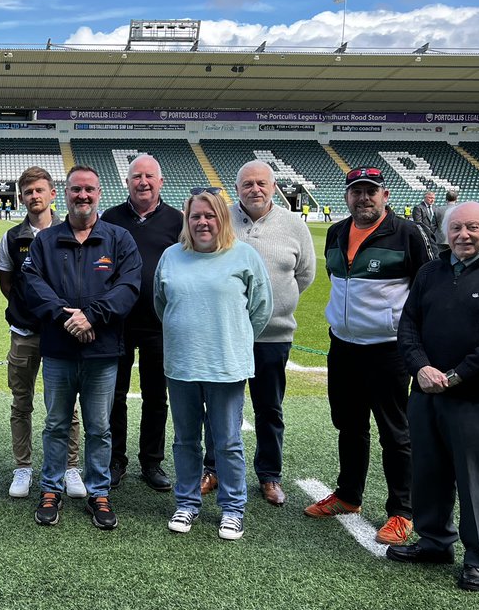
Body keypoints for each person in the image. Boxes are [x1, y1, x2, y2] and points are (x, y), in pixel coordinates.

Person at [390, 202, 479, 591]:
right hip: (425, 393)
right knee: (428, 474)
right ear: (444, 232)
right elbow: (409, 327)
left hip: (475, 399)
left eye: (473, 228)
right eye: (456, 228)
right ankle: (434, 542)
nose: (464, 235)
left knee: (474, 482)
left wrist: (453, 377)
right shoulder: (430, 272)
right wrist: (420, 368)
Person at [305, 168, 433, 546]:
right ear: (347, 196)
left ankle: (401, 511)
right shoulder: (336, 232)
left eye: (370, 192)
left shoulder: (407, 233)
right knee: (349, 424)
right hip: (343, 346)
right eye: (356, 192)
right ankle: (348, 495)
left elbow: (427, 288)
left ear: (385, 195)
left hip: (388, 349)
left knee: (395, 432)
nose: (363, 198)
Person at [22, 165, 142, 530]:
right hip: (58, 349)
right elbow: (31, 283)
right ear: (66, 192)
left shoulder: (119, 239)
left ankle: (98, 492)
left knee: (99, 428)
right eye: (76, 190)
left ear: (99, 193)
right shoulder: (45, 240)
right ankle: (51, 488)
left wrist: (92, 316)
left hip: (102, 351)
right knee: (56, 423)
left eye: (89, 190)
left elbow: (129, 286)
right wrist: (65, 316)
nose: (83, 196)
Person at [156, 188, 272, 540]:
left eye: (209, 215)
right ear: (186, 221)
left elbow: (260, 309)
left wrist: (231, 338)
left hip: (226, 366)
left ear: (222, 218)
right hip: (181, 365)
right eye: (195, 216)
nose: (202, 222)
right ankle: (187, 503)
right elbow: (161, 305)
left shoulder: (244, 256)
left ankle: (233, 508)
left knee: (227, 442)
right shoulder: (172, 256)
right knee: (185, 441)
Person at [201, 161, 315, 507]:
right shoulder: (222, 219)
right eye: (247, 183)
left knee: (269, 408)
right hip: (226, 334)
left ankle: (269, 475)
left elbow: (304, 275)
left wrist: (276, 304)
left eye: (261, 183)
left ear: (273, 185)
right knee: (218, 406)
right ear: (237, 188)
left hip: (273, 336)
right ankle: (214, 467)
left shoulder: (294, 225)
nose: (255, 189)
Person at [0, 167, 82, 499]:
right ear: (21, 197)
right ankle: (23, 467)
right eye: (28, 191)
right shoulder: (13, 237)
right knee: (22, 402)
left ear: (52, 194)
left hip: (62, 333)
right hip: (24, 332)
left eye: (39, 190)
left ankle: (70, 466)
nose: (34, 196)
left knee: (66, 405)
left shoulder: (69, 232)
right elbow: (7, 285)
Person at [101, 154, 184, 492]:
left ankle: (152, 461)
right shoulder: (110, 218)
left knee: (155, 396)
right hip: (117, 322)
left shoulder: (178, 221)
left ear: (160, 181)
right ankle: (115, 460)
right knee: (114, 394)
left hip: (159, 322)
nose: (143, 182)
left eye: (149, 176)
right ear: (127, 182)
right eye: (137, 176)